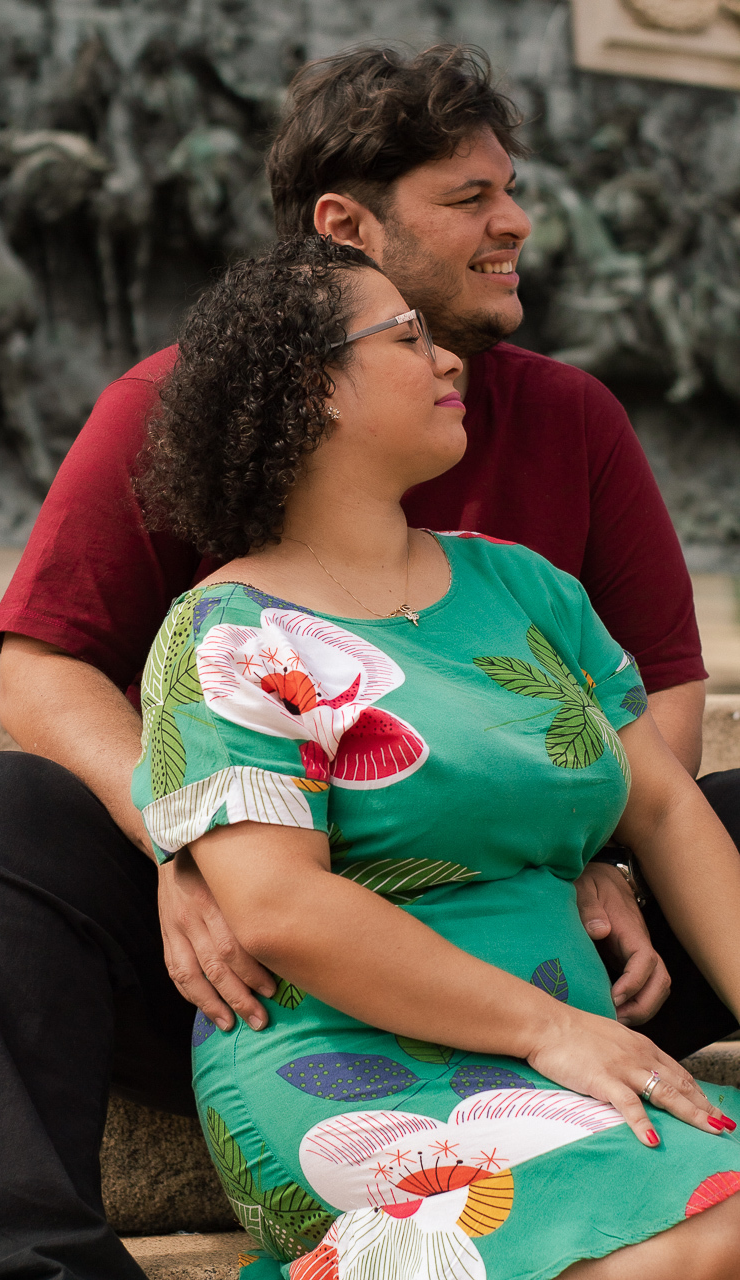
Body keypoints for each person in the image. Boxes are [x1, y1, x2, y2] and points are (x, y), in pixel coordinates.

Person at [0, 44, 738, 1280]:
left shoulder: (562, 442)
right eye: (469, 198)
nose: (515, 222)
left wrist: (600, 852)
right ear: (344, 227)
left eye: (510, 189)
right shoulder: (183, 429)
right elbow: (43, 672)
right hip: (250, 958)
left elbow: (662, 705)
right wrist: (193, 838)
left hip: (550, 916)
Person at [134, 233, 740, 1280]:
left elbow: (667, 811)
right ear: (313, 388)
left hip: (575, 1053)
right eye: (407, 336)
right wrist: (547, 1029)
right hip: (351, 1076)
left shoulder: (528, 588)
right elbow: (280, 907)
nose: (449, 356)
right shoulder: (228, 633)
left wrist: (565, 1035)